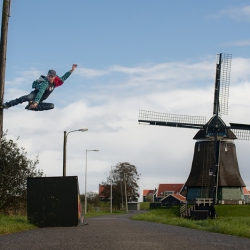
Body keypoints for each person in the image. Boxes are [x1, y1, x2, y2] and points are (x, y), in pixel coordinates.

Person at [1, 64, 78, 111]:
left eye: (52, 77)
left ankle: (31, 107)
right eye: (49, 76)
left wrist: (71, 70)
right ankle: (8, 104)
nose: (50, 78)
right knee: (26, 97)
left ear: (54, 77)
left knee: (52, 106)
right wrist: (36, 101)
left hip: (40, 100)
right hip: (35, 95)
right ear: (47, 75)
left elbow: (64, 77)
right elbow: (40, 92)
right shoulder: (45, 83)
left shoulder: (56, 82)